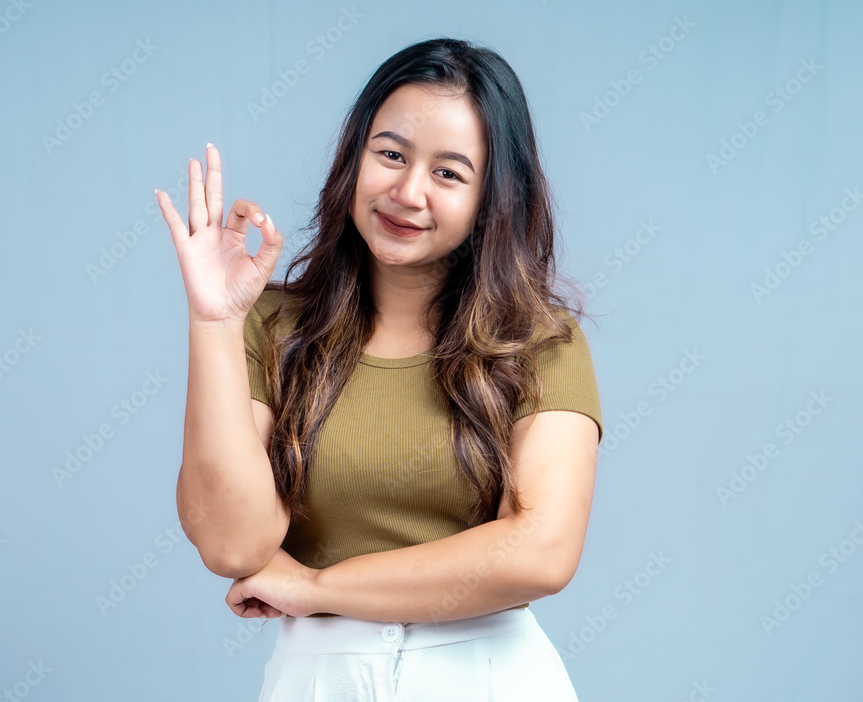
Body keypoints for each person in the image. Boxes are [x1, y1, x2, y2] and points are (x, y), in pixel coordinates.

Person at [155, 37, 603, 701]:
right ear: (354, 156)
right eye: (390, 154)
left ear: (492, 198)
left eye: (448, 173)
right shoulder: (272, 326)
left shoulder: (538, 341)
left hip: (491, 678)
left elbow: (542, 550)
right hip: (318, 678)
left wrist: (316, 586)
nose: (406, 191)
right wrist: (214, 321)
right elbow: (232, 543)